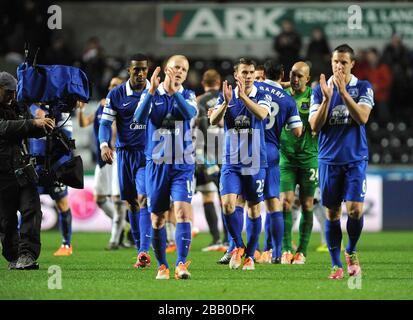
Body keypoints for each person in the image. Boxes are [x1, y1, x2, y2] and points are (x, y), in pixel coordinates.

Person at [309, 44, 374, 279]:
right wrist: (327, 99)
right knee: (333, 213)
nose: (339, 66)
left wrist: (344, 92)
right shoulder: (320, 90)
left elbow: (363, 117)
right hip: (329, 160)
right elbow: (314, 126)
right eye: (336, 61)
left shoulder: (363, 87)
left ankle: (351, 251)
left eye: (344, 62)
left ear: (352, 64)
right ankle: (336, 265)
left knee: (355, 211)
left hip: (355, 159)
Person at [134, 55, 197, 280]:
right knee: (158, 219)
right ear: (165, 71)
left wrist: (175, 92)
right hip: (157, 164)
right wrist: (151, 91)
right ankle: (163, 265)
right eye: (175, 68)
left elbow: (190, 114)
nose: (179, 72)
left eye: (183, 69)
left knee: (181, 212)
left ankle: (181, 264)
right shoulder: (151, 93)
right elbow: (138, 118)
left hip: (182, 164)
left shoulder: (188, 95)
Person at [210, 58, 270, 271]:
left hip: (255, 161)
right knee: (227, 204)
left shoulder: (262, 95)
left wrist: (244, 97)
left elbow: (262, 114)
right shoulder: (226, 95)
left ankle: (250, 255)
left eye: (251, 72)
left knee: (253, 209)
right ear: (236, 75)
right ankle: (238, 245)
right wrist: (226, 102)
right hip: (231, 160)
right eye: (244, 72)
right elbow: (212, 120)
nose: (248, 76)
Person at [99, 54, 152, 268]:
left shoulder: (155, 91)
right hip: (125, 155)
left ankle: (143, 250)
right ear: (129, 71)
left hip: (147, 155)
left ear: (147, 71)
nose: (140, 73)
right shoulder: (117, 94)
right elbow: (105, 123)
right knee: (131, 203)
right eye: (136, 69)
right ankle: (140, 250)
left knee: (144, 198)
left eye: (143, 70)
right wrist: (104, 144)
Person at [0, 71, 55, 270]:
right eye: (7, 93)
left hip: (23, 169)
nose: (12, 97)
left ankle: (27, 255)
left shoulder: (20, 106)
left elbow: (30, 127)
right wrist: (33, 123)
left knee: (32, 211)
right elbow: (4, 127)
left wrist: (46, 124)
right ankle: (13, 256)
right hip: (2, 174)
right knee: (6, 220)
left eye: (14, 93)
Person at [255, 60, 303, 264]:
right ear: (282, 73)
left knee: (249, 202)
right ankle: (275, 252)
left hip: (252, 148)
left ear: (263, 73)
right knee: (273, 202)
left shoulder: (255, 87)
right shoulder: (288, 100)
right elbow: (297, 131)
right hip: (274, 150)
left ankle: (246, 251)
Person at [77, 77, 126, 250]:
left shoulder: (121, 106)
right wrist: (81, 111)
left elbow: (114, 130)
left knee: (117, 199)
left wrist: (111, 145)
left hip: (114, 158)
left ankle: (114, 238)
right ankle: (120, 223)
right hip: (101, 159)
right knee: (99, 198)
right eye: (111, 85)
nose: (112, 87)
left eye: (116, 85)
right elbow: (84, 123)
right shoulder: (101, 105)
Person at [279, 61, 318, 265]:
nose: (295, 79)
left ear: (307, 78)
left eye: (299, 76)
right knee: (285, 202)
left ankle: (301, 251)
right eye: (292, 75)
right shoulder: (282, 95)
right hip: (285, 157)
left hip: (309, 157)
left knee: (307, 204)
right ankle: (286, 249)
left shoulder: (314, 96)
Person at [29, 104, 75, 257]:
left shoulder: (61, 109)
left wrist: (51, 125)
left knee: (62, 204)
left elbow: (68, 139)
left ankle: (66, 244)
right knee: (27, 205)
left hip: (56, 166)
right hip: (34, 166)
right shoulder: (28, 107)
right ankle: (23, 243)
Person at [195, 69, 227, 252]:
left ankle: (215, 239)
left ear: (203, 83)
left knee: (208, 196)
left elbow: (198, 128)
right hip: (227, 153)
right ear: (219, 81)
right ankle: (228, 239)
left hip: (207, 154)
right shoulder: (227, 98)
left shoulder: (199, 101)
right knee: (226, 197)